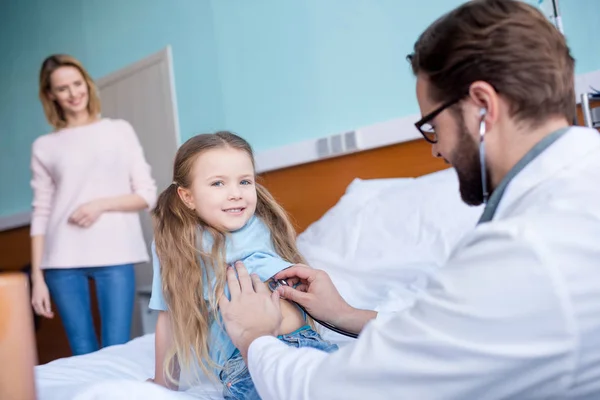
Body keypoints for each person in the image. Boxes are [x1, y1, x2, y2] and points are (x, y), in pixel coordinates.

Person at [217, 0, 600, 399]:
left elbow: (338, 390)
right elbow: (460, 336)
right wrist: (345, 314)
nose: (437, 150)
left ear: (483, 106)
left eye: (433, 126)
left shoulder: (528, 245)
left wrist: (254, 338)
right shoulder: (577, 188)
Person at [146, 132, 338, 399]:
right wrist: (163, 384)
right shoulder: (176, 244)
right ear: (187, 197)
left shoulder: (261, 224)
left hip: (307, 344)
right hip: (246, 365)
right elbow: (168, 318)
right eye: (218, 184)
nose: (236, 194)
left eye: (245, 181)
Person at [30, 54, 157, 356]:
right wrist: (36, 278)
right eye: (63, 88)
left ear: (87, 84)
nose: (74, 93)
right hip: (61, 259)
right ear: (51, 95)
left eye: (77, 84)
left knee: (116, 349)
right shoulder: (44, 146)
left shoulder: (119, 130)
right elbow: (41, 213)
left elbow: (147, 194)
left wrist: (99, 205)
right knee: (82, 352)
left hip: (115, 252)